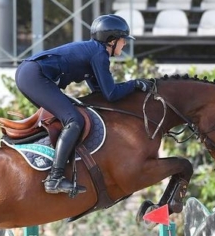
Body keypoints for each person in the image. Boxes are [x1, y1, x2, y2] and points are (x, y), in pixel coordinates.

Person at [15, 14, 152, 195]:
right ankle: (55, 178)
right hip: (34, 75)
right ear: (111, 41)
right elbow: (110, 94)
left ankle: (48, 160)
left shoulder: (93, 51)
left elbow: (99, 93)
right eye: (123, 40)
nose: (125, 44)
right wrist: (134, 84)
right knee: (74, 120)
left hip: (28, 73)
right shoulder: (99, 54)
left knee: (71, 115)